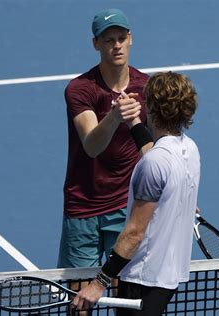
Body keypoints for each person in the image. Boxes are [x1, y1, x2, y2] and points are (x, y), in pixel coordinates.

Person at [72, 71, 201, 315]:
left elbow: (134, 233)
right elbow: (158, 162)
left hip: (141, 279)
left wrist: (99, 283)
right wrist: (132, 123)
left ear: (151, 107)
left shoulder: (152, 164)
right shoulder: (190, 149)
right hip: (168, 276)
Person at [58, 8, 153, 276]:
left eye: (121, 38)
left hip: (126, 207)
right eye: (109, 40)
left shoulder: (146, 88)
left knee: (126, 289)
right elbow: (91, 146)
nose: (116, 46)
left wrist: (174, 187)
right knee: (78, 297)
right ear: (96, 44)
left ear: (130, 39)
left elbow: (152, 150)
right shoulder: (80, 89)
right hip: (82, 208)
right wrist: (114, 117)